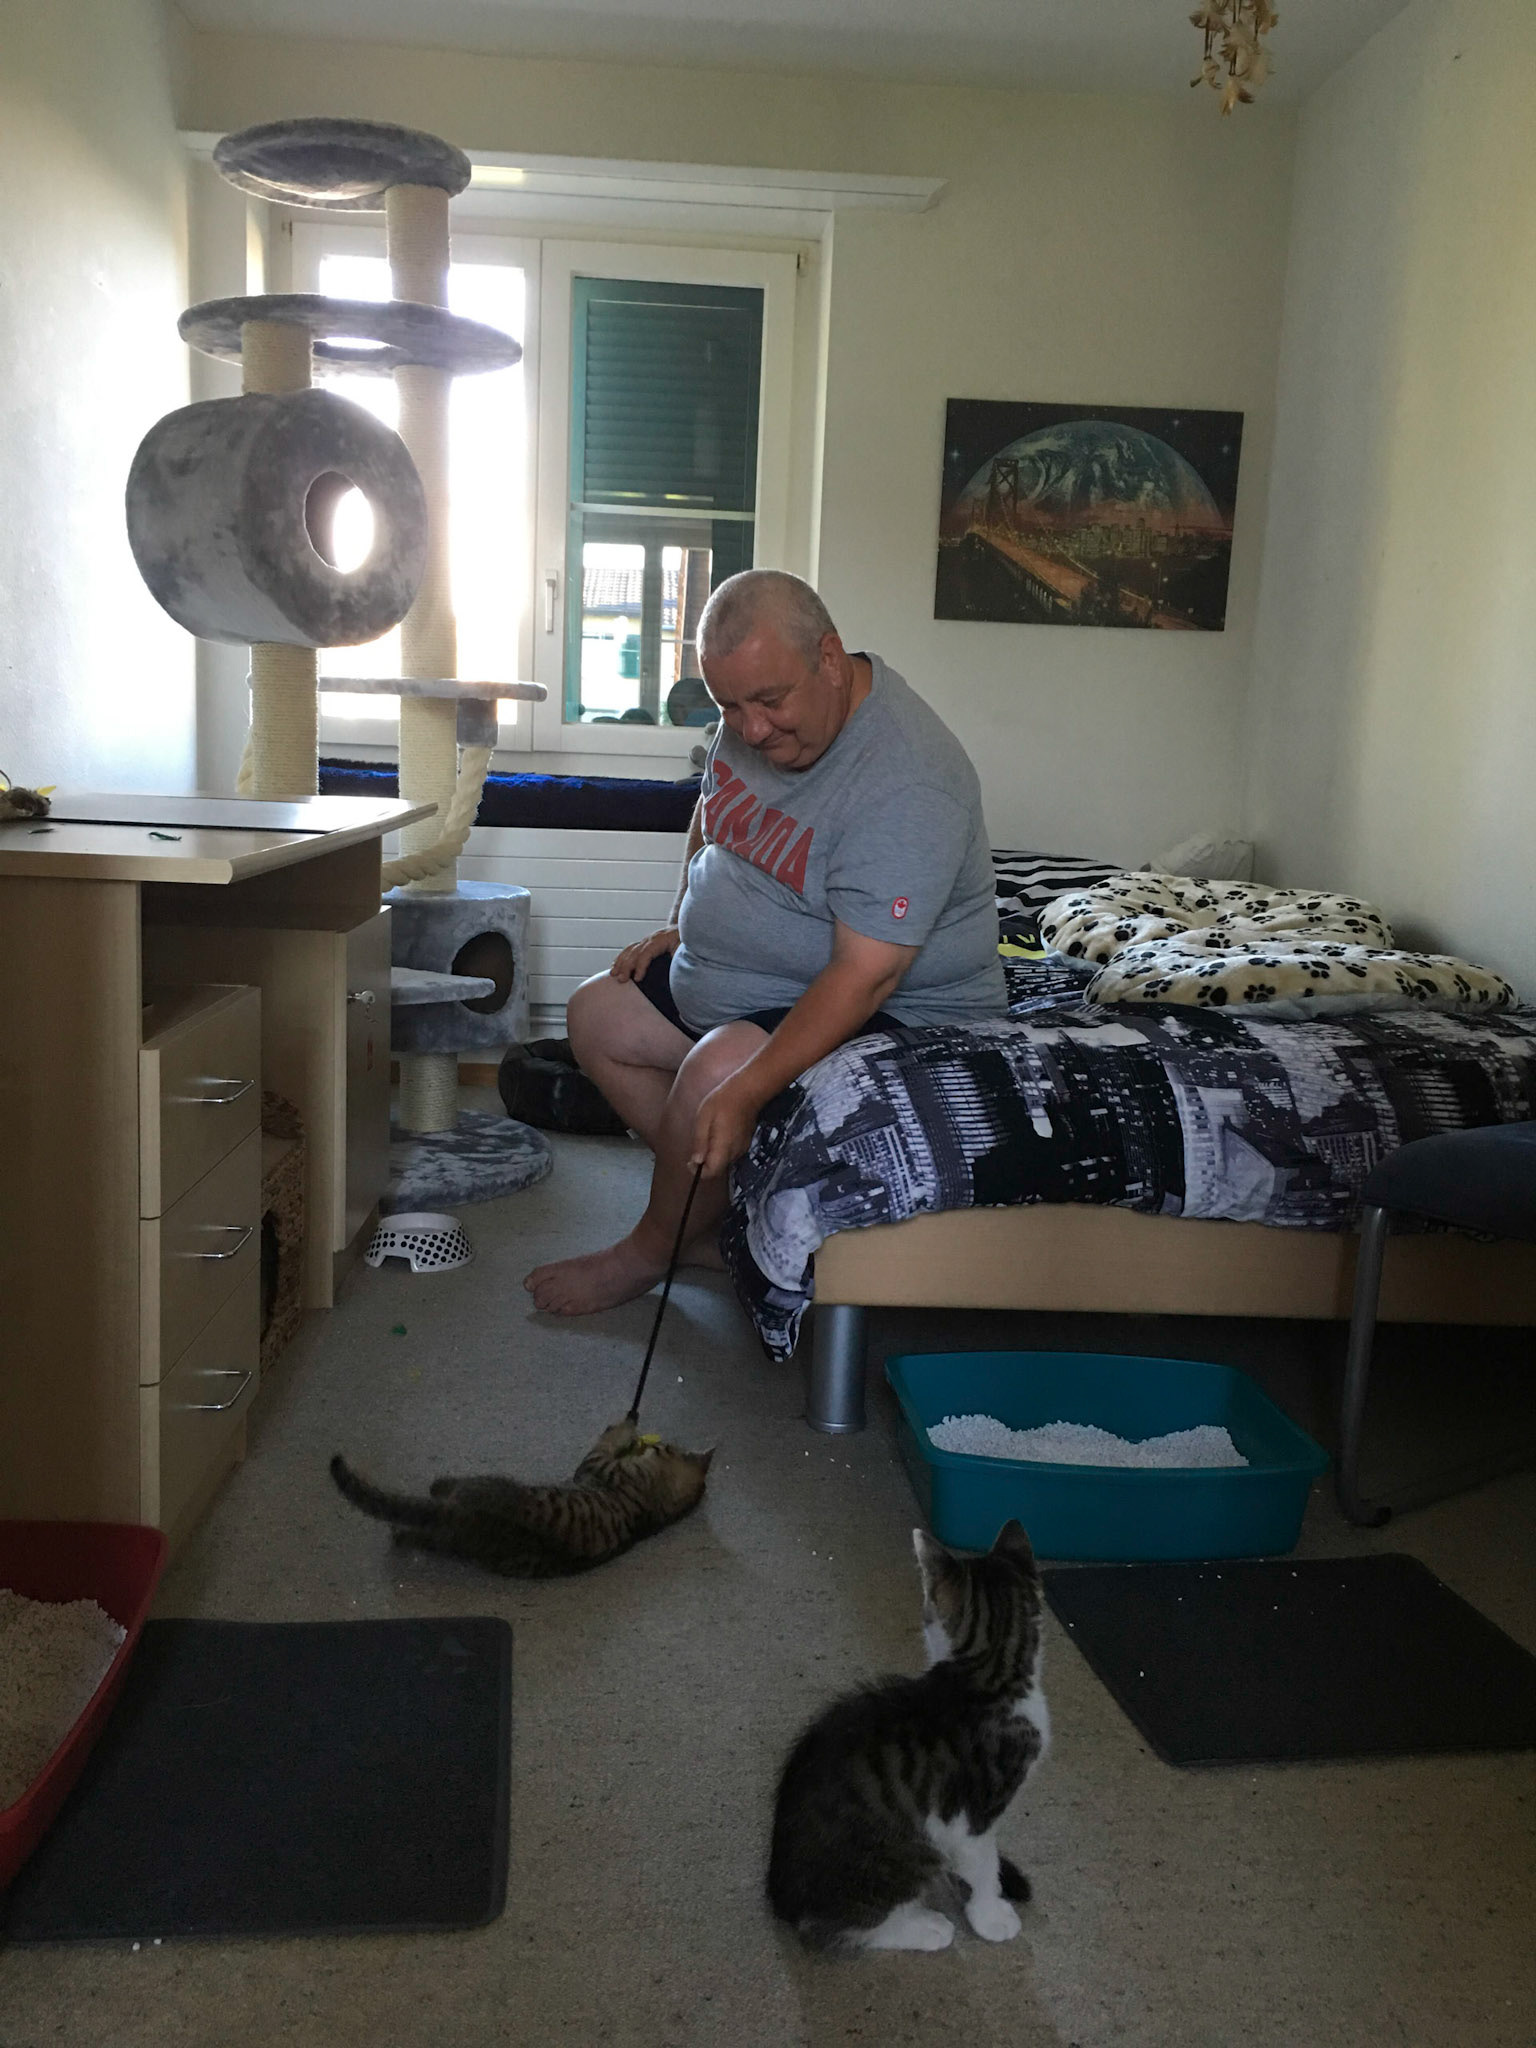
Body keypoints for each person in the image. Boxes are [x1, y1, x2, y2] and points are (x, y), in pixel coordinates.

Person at [523, 570, 1005, 1317]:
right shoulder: (759, 714)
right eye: (729, 707)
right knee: (596, 1015)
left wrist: (744, 1090)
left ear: (830, 659)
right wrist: (685, 920)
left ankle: (648, 1250)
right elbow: (713, 814)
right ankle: (716, 1218)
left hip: (906, 1012)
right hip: (762, 983)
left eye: (769, 702)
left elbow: (867, 976)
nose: (750, 731)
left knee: (717, 1073)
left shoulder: (910, 780)